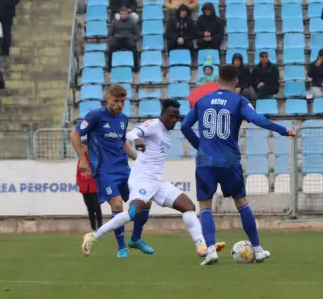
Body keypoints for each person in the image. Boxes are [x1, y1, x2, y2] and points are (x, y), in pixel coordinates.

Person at [82, 99, 227, 259]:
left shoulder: (166, 132)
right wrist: (139, 144)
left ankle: (201, 246)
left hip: (157, 182)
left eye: (176, 117)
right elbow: (131, 134)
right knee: (132, 213)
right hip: (142, 179)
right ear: (163, 114)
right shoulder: (154, 125)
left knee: (188, 206)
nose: (174, 119)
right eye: (171, 116)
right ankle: (94, 236)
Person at [181, 65, 296, 265]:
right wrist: (282, 130)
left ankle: (211, 251)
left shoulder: (202, 101)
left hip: (205, 161)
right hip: (229, 160)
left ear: (218, 79)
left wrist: (200, 145)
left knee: (206, 206)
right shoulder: (239, 101)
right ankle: (258, 250)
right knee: (241, 203)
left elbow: (184, 126)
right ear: (236, 81)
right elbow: (257, 119)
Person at [71, 84, 147, 258]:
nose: (119, 105)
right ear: (108, 99)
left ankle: (136, 238)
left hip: (123, 169)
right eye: (116, 101)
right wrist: (83, 159)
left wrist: (138, 159)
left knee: (144, 200)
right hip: (104, 170)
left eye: (122, 101)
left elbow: (122, 142)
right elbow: (74, 134)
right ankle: (122, 248)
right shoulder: (96, 115)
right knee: (118, 204)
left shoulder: (123, 119)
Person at [77, 137, 101, 231]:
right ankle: (93, 228)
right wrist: (80, 184)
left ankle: (100, 228)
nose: (82, 149)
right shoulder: (81, 159)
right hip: (85, 188)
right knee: (90, 209)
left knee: (97, 208)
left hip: (94, 188)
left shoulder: (95, 158)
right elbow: (78, 174)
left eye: (83, 147)